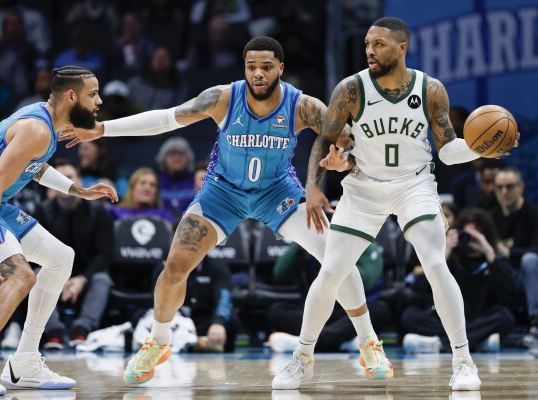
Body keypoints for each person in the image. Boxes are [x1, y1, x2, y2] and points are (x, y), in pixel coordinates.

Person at [59, 36, 391, 386]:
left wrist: (343, 159)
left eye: (266, 66)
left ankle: (368, 341)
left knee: (337, 257)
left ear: (280, 68)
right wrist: (102, 129)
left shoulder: (302, 105)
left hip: (277, 191)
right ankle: (158, 340)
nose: (258, 73)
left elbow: (347, 142)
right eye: (251, 67)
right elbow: (167, 119)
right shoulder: (223, 97)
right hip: (223, 192)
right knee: (175, 265)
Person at [297, 17, 517, 391]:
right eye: (367, 43)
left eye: (379, 44)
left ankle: (463, 361)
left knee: (434, 262)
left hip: (413, 185)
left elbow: (446, 151)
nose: (370, 50)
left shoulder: (431, 90)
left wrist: (480, 146)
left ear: (402, 48)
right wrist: (315, 185)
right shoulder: (351, 89)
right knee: (331, 271)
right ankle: (301, 359)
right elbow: (326, 139)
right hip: (364, 186)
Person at [0, 66, 118, 395]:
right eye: (93, 93)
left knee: (60, 257)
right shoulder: (36, 128)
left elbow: (34, 166)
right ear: (72, 96)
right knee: (22, 277)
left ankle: (25, 362)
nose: (99, 100)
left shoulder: (50, 126)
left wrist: (77, 190)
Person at [401, 208, 516, 354]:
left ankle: (440, 344)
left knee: (505, 317)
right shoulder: (451, 259)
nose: (470, 240)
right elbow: (423, 287)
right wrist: (445, 252)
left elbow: (510, 289)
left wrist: (488, 251)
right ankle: (478, 341)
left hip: (479, 318)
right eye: (466, 235)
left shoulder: (493, 260)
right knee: (410, 315)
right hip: (447, 321)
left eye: (476, 235)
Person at [33, 159, 114, 349]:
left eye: (68, 177)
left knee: (102, 279)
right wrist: (59, 278)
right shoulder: (42, 211)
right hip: (53, 271)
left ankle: (82, 330)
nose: (63, 182)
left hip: (88, 274)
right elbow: (35, 251)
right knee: (35, 274)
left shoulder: (99, 212)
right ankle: (54, 332)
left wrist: (82, 279)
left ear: (79, 181)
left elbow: (105, 253)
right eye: (58, 178)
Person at [490, 167, 538, 349]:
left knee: (530, 260)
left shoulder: (536, 214)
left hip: (536, 277)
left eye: (509, 187)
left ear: (521, 187)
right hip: (506, 277)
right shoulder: (491, 217)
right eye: (499, 187)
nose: (504, 192)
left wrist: (510, 252)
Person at [110, 167, 175, 224]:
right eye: (142, 183)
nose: (147, 188)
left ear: (156, 193)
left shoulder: (164, 216)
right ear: (132, 188)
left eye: (152, 185)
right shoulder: (116, 213)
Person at [155, 137, 196, 218]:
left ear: (188, 158)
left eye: (181, 153)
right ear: (163, 158)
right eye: (172, 153)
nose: (177, 157)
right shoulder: (155, 181)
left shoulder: (197, 180)